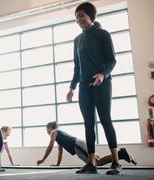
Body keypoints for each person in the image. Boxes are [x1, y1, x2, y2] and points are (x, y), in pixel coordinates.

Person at [66, 2, 121, 174]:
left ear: (91, 16)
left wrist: (102, 74)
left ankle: (116, 162)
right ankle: (91, 163)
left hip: (102, 84)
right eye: (76, 18)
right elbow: (77, 67)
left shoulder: (103, 34)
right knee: (88, 124)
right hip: (84, 87)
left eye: (81, 15)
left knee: (105, 120)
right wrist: (72, 87)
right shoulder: (77, 40)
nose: (79, 20)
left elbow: (112, 60)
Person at [36, 122, 137, 168]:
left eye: (46, 129)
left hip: (78, 145)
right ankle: (121, 154)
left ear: (50, 127)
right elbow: (60, 151)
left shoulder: (54, 132)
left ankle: (121, 153)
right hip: (79, 144)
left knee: (96, 163)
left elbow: (50, 147)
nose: (46, 131)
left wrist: (42, 160)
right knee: (98, 160)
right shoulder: (59, 136)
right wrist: (57, 164)